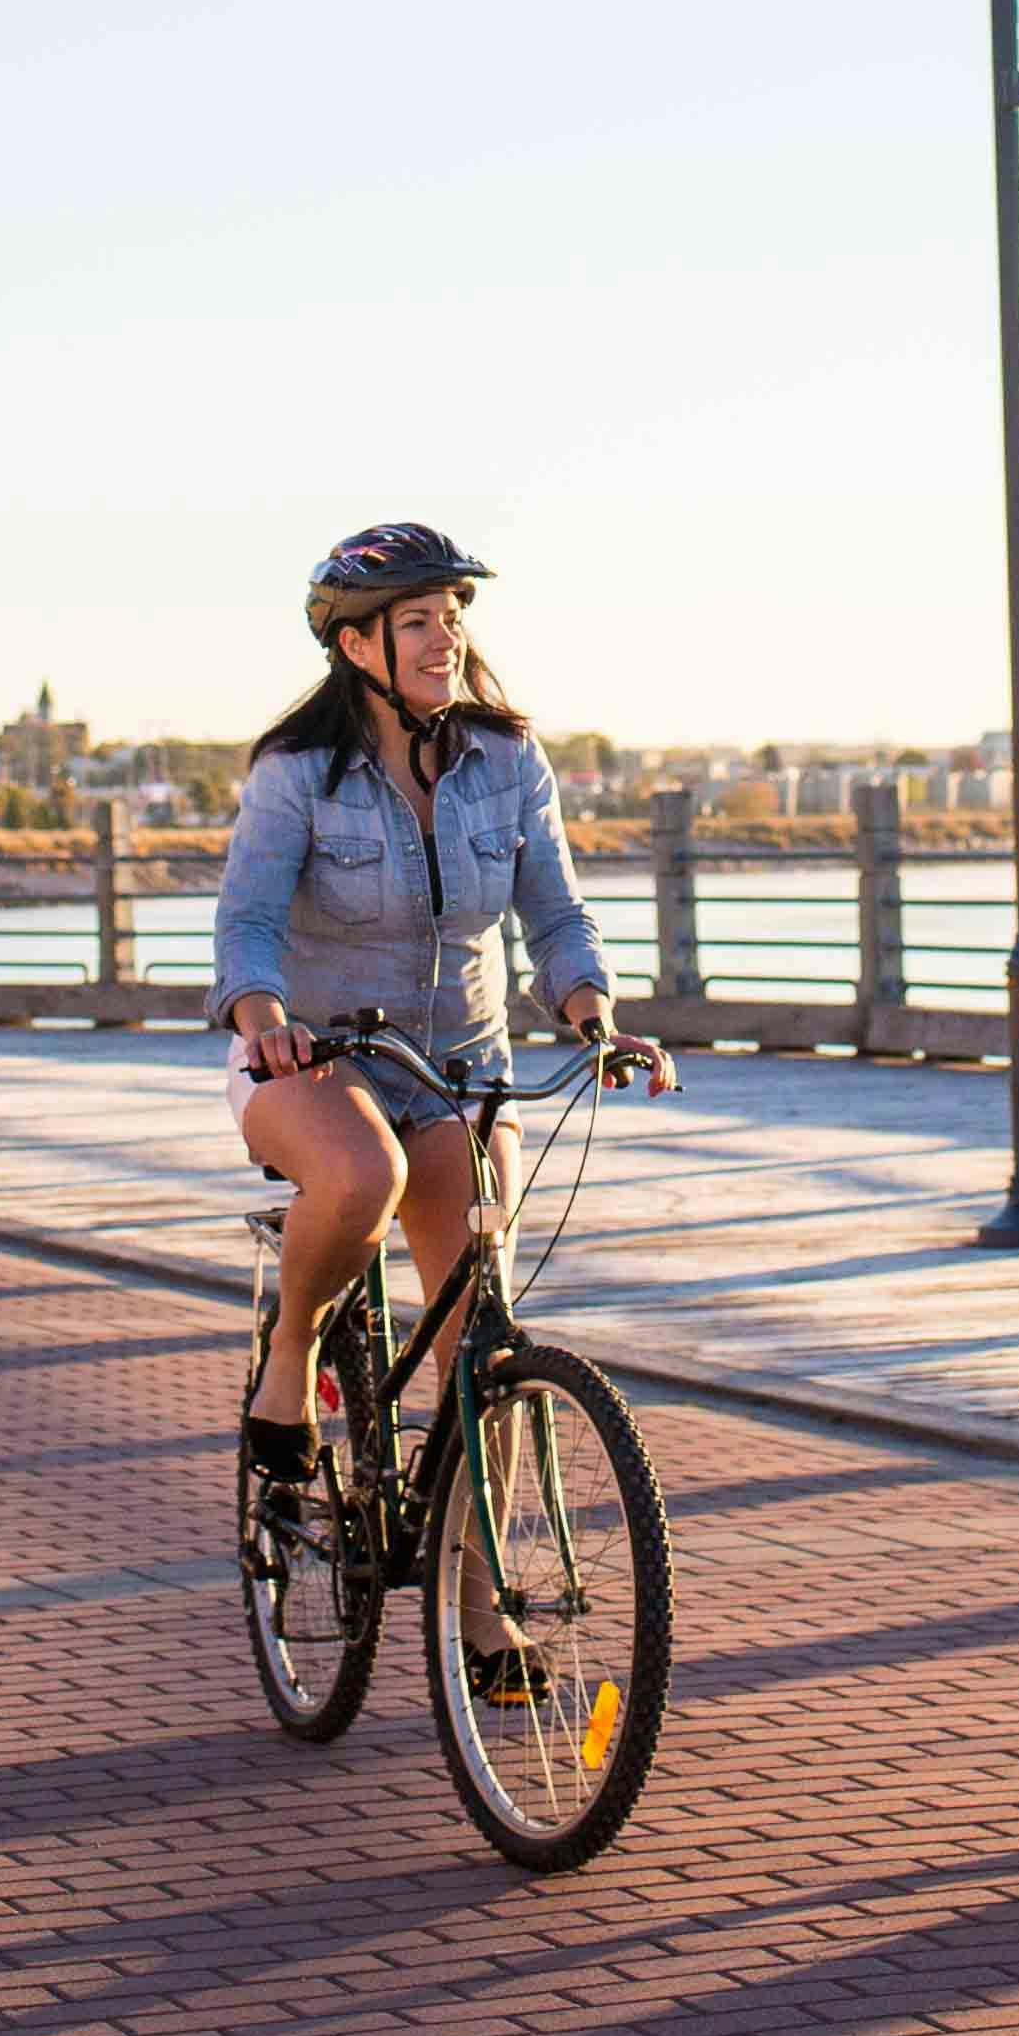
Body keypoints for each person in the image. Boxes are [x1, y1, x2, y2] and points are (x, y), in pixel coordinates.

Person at [210, 523, 675, 1692]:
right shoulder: (294, 772)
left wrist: (594, 1014)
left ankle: (481, 1618)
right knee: (357, 1179)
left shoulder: (506, 761)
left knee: (481, 1345)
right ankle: (292, 1357)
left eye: (453, 611)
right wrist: (264, 1013)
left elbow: (557, 916)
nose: (446, 633)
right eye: (419, 618)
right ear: (356, 642)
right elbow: (248, 923)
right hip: (315, 1059)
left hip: (461, 1066)